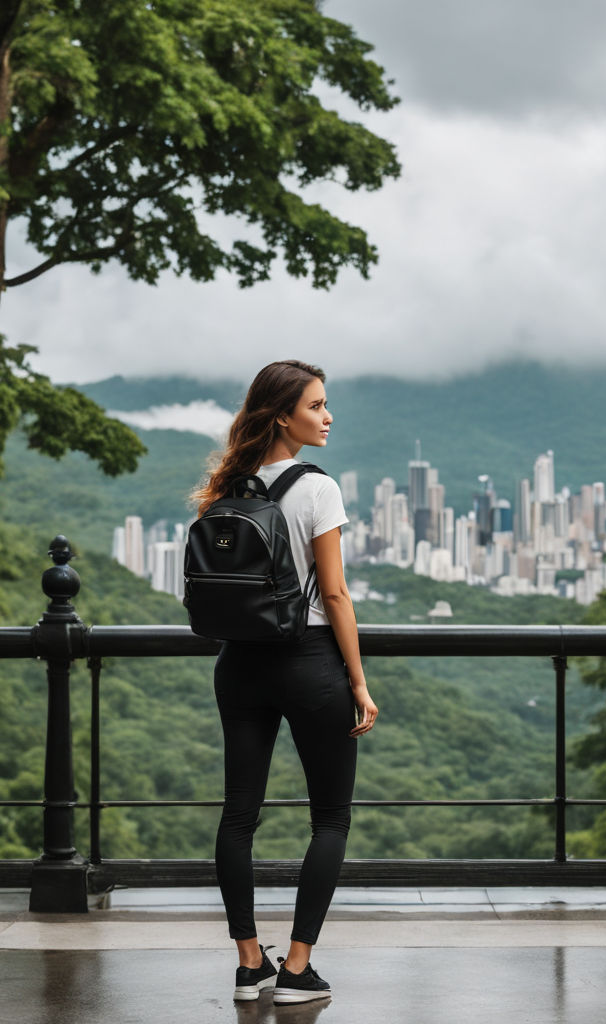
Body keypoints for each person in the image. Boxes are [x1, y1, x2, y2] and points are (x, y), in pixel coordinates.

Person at [193, 359, 378, 1005]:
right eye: (317, 405)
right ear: (282, 415)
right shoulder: (318, 489)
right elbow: (334, 592)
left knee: (238, 816)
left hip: (238, 665)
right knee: (329, 820)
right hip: (309, 662)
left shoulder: (228, 488)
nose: (327, 417)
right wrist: (358, 682)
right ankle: (297, 968)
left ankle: (250, 965)